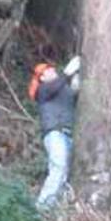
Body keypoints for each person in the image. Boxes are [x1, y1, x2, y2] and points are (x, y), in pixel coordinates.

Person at [29, 56, 80, 210]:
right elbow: (56, 85)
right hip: (55, 133)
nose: (52, 71)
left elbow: (71, 97)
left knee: (63, 174)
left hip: (66, 135)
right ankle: (42, 207)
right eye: (47, 71)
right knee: (58, 168)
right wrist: (67, 73)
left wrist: (75, 85)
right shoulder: (43, 90)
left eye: (52, 69)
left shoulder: (60, 89)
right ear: (42, 78)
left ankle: (55, 209)